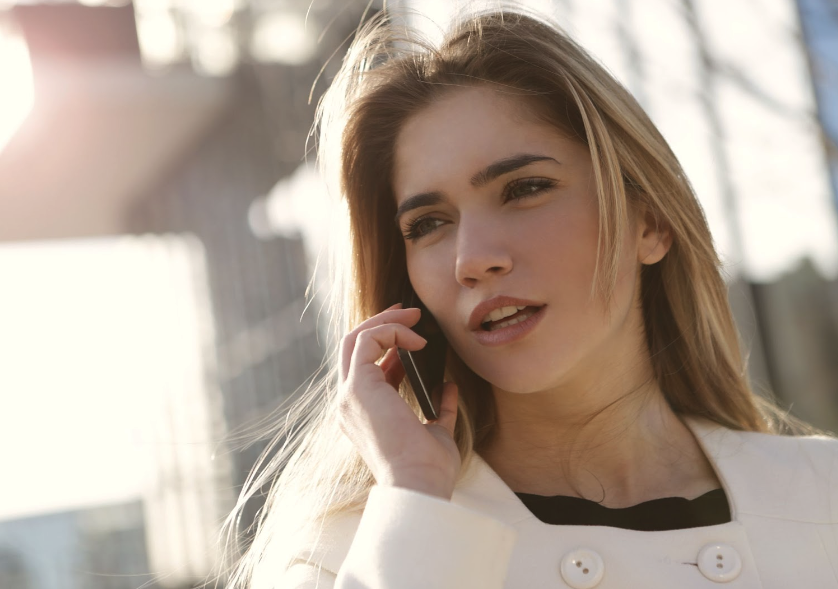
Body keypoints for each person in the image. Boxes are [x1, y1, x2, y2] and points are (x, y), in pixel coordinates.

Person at [219, 8, 838, 589]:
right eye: (428, 223)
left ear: (648, 222)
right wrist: (415, 500)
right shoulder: (346, 553)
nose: (471, 258)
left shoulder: (822, 495)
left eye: (526, 188)